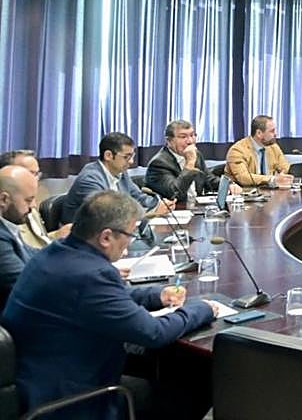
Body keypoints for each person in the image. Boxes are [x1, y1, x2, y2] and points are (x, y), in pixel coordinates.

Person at [3, 191, 216, 419]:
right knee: (197, 389)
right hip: (70, 400)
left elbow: (102, 298)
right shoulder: (92, 274)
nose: (129, 242)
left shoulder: (56, 253)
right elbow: (154, 333)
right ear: (106, 237)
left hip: (37, 381)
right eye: (130, 235)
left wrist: (155, 296)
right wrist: (203, 308)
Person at [59, 132, 170, 225]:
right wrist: (150, 214)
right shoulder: (90, 179)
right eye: (127, 157)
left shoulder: (120, 172)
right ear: (108, 155)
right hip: (84, 239)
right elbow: (107, 216)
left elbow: (138, 197)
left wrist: (159, 204)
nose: (131, 161)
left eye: (132, 156)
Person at [147, 119, 234, 202]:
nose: (190, 141)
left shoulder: (197, 154)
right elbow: (175, 193)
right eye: (183, 137)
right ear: (169, 141)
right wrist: (190, 163)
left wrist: (228, 185)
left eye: (192, 135)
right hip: (175, 211)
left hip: (196, 208)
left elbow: (209, 179)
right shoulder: (159, 163)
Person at [0, 150, 71, 248]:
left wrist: (58, 235)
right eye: (29, 173)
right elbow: (24, 252)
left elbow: (40, 239)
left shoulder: (29, 202)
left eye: (37, 174)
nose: (35, 179)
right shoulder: (11, 213)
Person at [0, 166, 38, 310]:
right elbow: (25, 284)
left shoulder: (8, 224)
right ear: (4, 199)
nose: (33, 206)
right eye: (28, 200)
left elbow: (30, 252)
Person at [225, 114, 294, 189]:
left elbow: (285, 168)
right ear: (259, 133)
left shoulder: (273, 147)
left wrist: (284, 176)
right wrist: (272, 179)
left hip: (269, 194)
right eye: (272, 131)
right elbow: (244, 178)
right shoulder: (237, 150)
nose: (275, 134)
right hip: (245, 195)